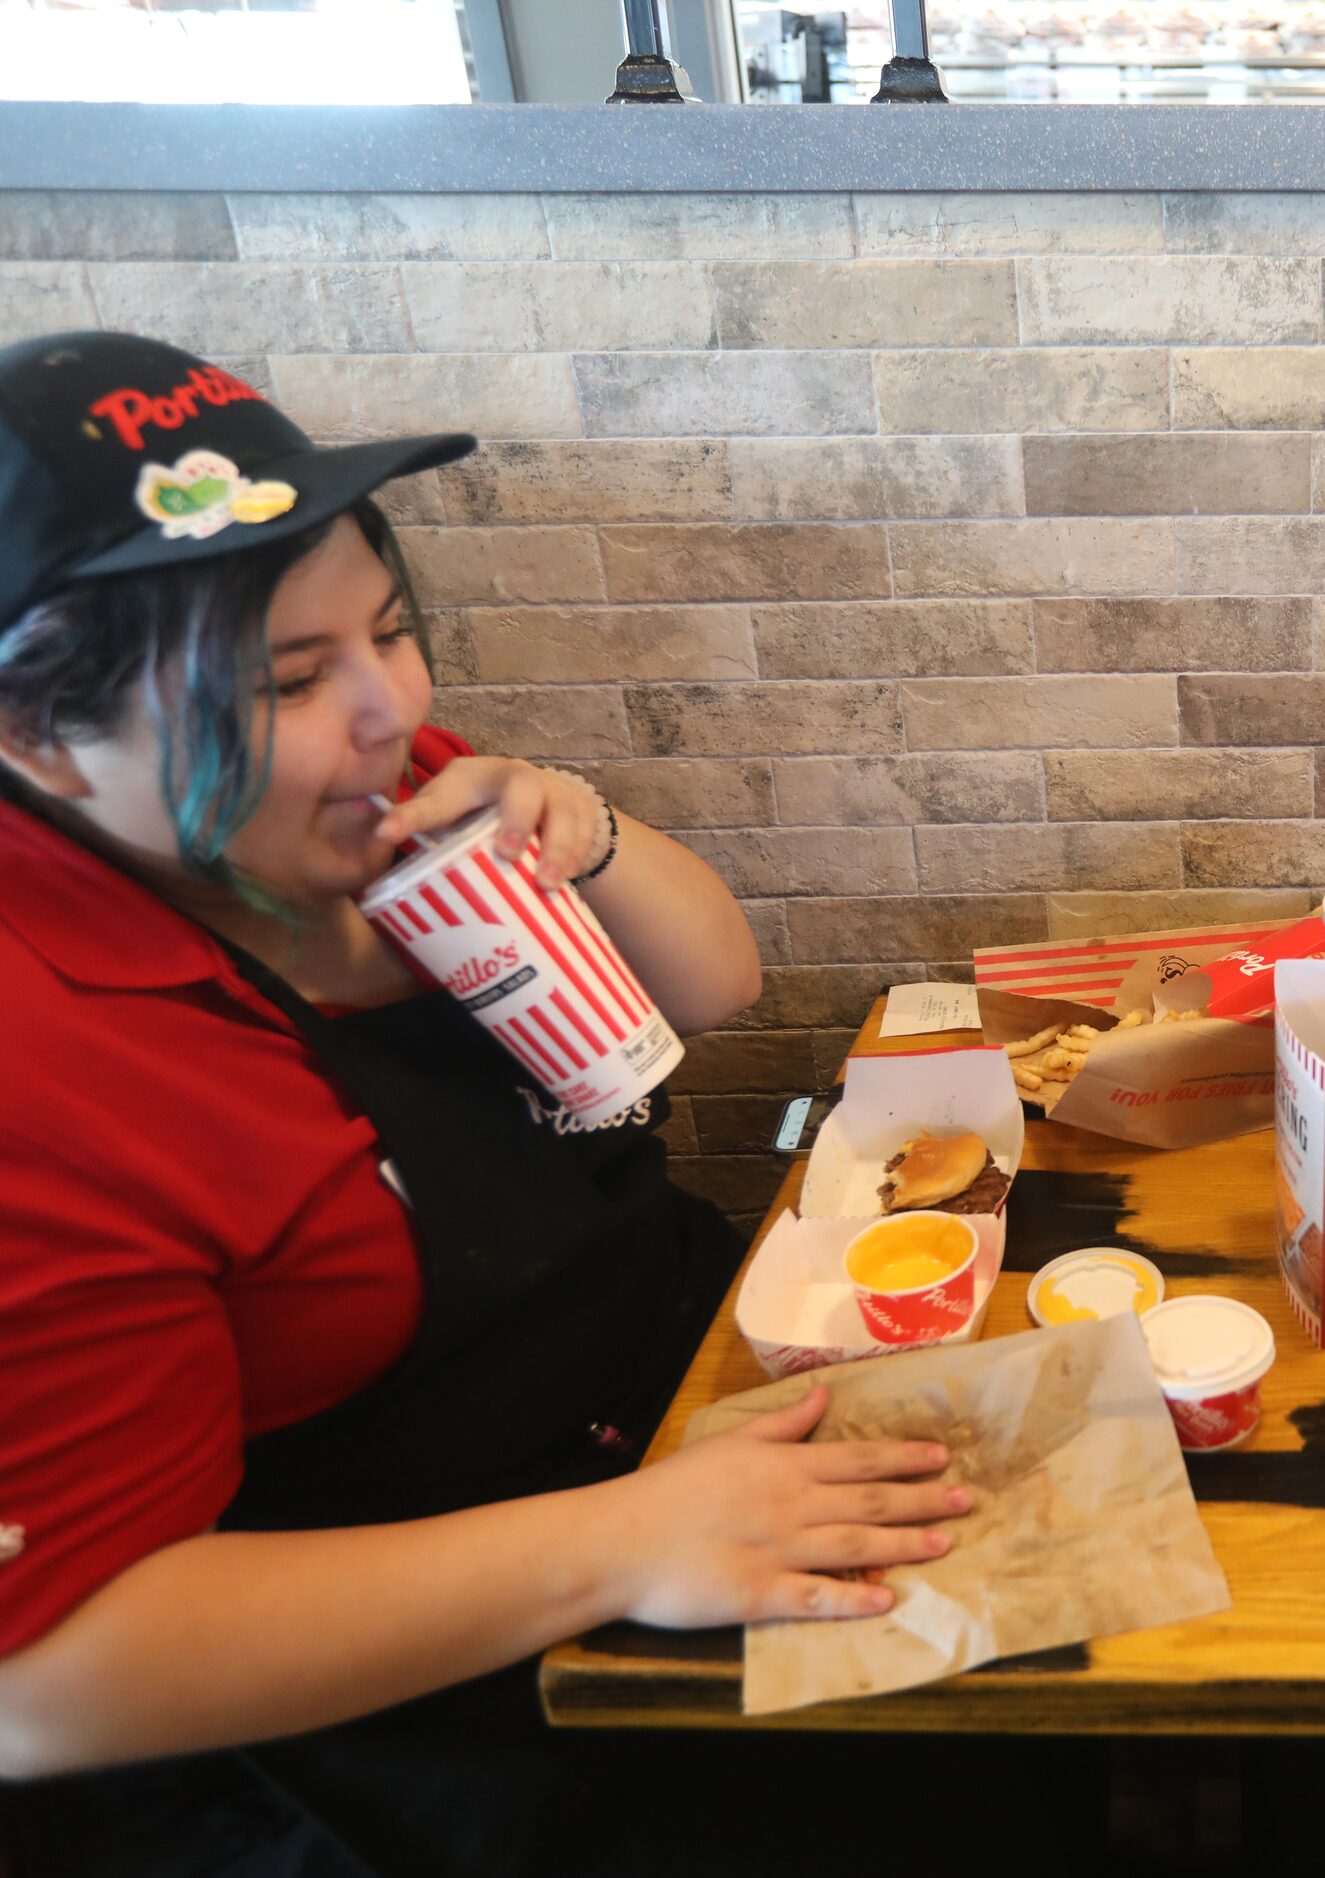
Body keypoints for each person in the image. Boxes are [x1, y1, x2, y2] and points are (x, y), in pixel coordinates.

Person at [0, 334, 977, 1876]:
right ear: (38, 738)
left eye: (389, 633)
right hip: (372, 1722)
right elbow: (41, 1683)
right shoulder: (43, 1056)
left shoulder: (375, 805)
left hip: (658, 1412)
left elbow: (712, 981)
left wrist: (572, 823)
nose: (390, 709)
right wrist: (622, 1543)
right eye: (290, 679)